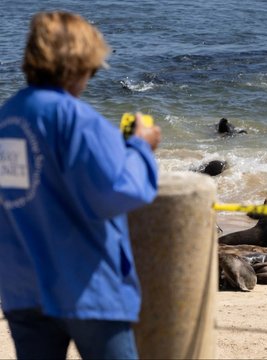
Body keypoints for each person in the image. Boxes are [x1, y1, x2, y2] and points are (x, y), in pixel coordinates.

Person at [0, 11, 161, 359]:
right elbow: (118, 190)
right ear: (79, 63)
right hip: (86, 287)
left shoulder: (7, 118)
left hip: (22, 286)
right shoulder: (76, 119)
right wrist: (140, 148)